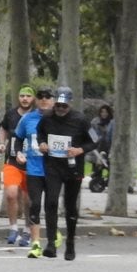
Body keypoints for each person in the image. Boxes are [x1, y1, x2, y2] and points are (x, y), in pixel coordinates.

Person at [35, 86, 93, 261]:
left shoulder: (81, 120)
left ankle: (70, 242)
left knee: (70, 206)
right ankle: (51, 243)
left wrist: (79, 150)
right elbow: (39, 133)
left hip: (73, 167)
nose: (60, 109)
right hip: (53, 165)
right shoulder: (47, 118)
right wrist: (42, 143)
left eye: (64, 106)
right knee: (51, 202)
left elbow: (95, 141)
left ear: (70, 105)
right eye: (58, 105)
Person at [16, 88, 54, 258]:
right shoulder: (28, 119)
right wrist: (18, 152)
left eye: (48, 97)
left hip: (54, 170)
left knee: (51, 205)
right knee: (35, 204)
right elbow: (18, 138)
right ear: (36, 100)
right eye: (41, 97)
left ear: (53, 100)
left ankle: (54, 236)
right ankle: (36, 243)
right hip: (34, 168)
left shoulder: (59, 119)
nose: (44, 100)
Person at [0, 86, 36, 246]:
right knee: (11, 194)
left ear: (33, 98)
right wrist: (1, 143)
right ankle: (13, 228)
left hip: (32, 164)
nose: (25, 99)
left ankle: (27, 230)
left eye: (28, 96)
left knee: (28, 200)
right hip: (12, 162)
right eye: (22, 96)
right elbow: (3, 128)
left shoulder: (37, 116)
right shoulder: (11, 114)